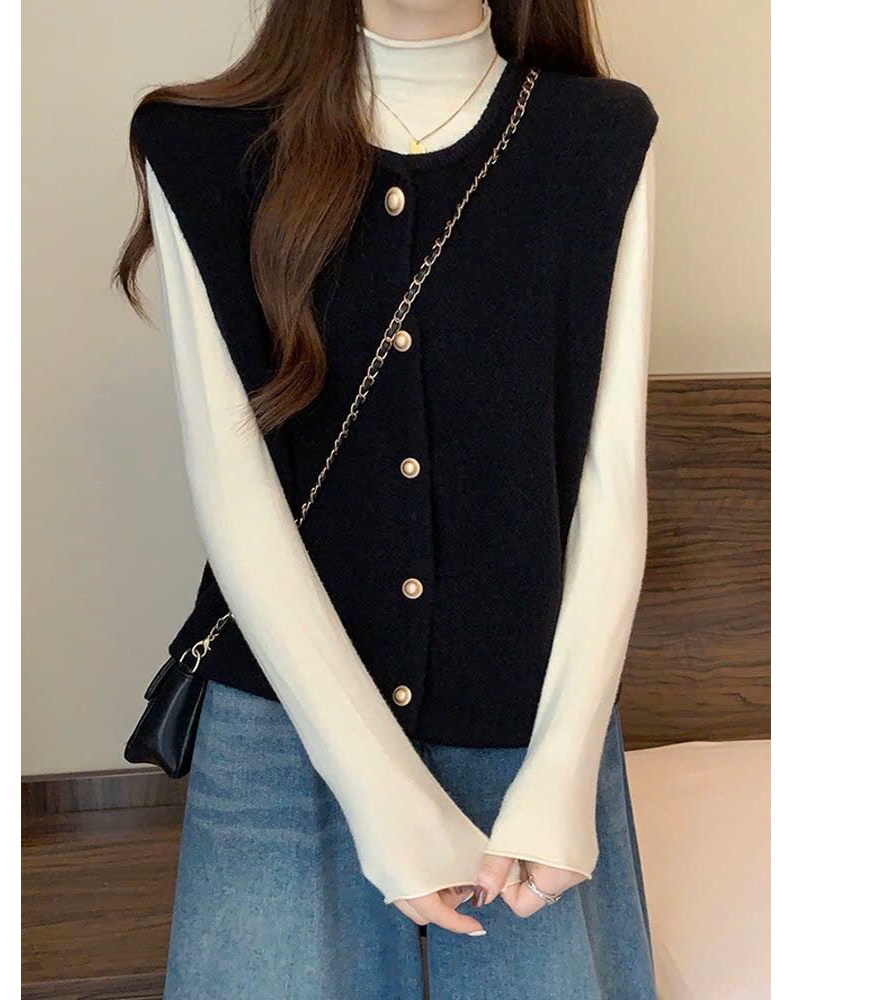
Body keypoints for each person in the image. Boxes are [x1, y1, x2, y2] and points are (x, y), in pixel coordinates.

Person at [114, 1, 658, 996]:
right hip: (286, 729)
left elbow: (608, 477)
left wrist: (564, 767)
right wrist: (380, 791)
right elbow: (234, 492)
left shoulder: (599, 136)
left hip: (528, 738)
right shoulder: (199, 145)